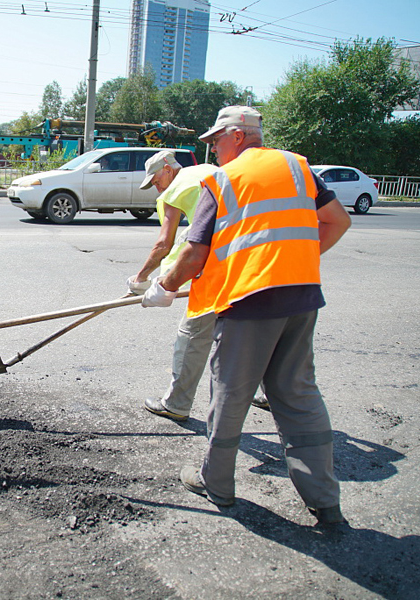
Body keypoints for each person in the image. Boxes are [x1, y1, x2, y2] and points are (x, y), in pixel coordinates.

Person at [142, 106, 352, 525]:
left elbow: (194, 250)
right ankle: (325, 501)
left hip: (250, 302)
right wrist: (292, 265)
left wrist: (163, 288)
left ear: (237, 136)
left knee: (230, 392)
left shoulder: (222, 179)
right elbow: (337, 221)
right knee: (298, 394)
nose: (211, 151)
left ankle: (215, 483)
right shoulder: (297, 167)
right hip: (302, 295)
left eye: (215, 141)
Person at [126, 151, 224, 423]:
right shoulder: (208, 170)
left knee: (192, 334)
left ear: (169, 169)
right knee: (253, 330)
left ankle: (177, 404)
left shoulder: (175, 189)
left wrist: (141, 279)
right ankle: (269, 394)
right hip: (247, 260)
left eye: (156, 180)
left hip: (216, 269)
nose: (157, 187)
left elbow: (164, 245)